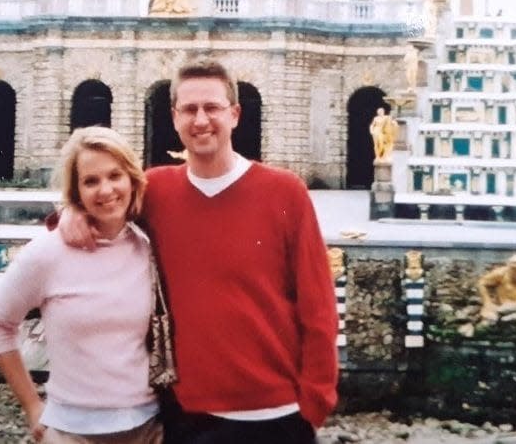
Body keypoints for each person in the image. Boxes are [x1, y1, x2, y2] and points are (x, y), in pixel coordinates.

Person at [59, 59, 338, 444]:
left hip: (276, 412)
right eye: (189, 109)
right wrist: (69, 212)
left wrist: (316, 401)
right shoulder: (155, 191)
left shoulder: (285, 192)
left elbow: (318, 305)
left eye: (212, 108)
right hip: (188, 414)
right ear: (174, 117)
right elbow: (102, 205)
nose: (201, 119)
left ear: (235, 114)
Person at [0, 127, 163, 444]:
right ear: (76, 191)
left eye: (114, 175)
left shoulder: (147, 249)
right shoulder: (47, 253)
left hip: (147, 427)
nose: (106, 189)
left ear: (131, 178)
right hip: (72, 431)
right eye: (91, 181)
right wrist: (32, 405)